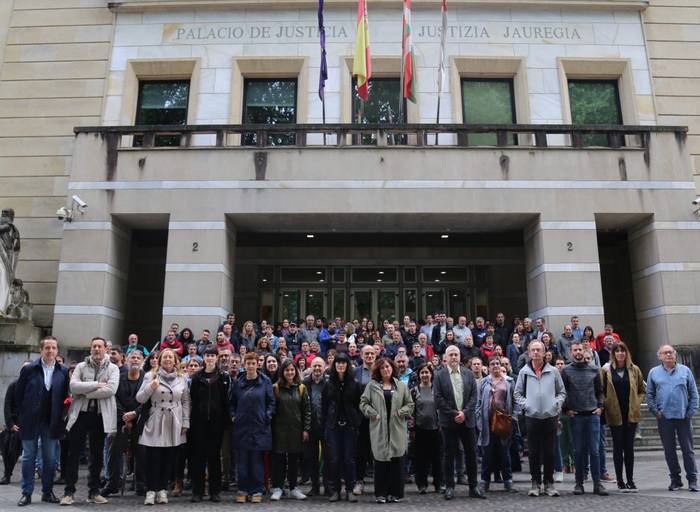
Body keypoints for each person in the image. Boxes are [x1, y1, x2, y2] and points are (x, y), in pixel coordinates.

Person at [62, 337, 120, 506]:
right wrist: (96, 384)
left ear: (105, 349)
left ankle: (94, 492)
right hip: (81, 414)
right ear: (90, 348)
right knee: (73, 453)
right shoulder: (80, 366)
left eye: (99, 346)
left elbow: (111, 390)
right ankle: (68, 492)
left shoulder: (113, 368)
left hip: (100, 416)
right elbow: (73, 387)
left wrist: (85, 391)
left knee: (96, 455)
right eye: (93, 346)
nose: (96, 349)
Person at [15, 337, 69, 506]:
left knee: (51, 459)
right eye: (47, 348)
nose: (50, 351)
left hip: (51, 421)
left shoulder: (63, 371)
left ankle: (47, 491)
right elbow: (18, 394)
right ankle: (27, 492)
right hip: (30, 420)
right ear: (41, 350)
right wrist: (22, 416)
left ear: (57, 351)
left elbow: (65, 396)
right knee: (28, 457)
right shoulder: (29, 369)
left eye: (53, 348)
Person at [136, 348, 191, 505]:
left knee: (169, 457)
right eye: (165, 357)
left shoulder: (182, 379)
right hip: (155, 418)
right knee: (153, 457)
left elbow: (186, 401)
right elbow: (139, 398)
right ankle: (150, 491)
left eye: (170, 357)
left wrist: (186, 421)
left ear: (175, 360)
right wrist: (150, 387)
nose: (168, 359)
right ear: (160, 360)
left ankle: (162, 490)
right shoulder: (150, 376)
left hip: (174, 420)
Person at [514, 340, 566, 498]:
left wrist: (556, 405)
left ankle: (549, 483)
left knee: (550, 452)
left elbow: (562, 392)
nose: (536, 353)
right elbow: (517, 393)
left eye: (539, 350)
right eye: (533, 350)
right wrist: (527, 405)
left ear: (544, 353)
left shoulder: (553, 371)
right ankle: (535, 483)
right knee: (534, 452)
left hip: (550, 417)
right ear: (529, 353)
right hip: (532, 417)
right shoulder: (524, 372)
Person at [433, 345, 484, 500]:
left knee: (471, 454)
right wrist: (455, 413)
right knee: (449, 454)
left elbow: (474, 396)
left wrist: (465, 413)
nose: (454, 357)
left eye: (456, 354)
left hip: (467, 420)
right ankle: (449, 487)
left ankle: (473, 487)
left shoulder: (468, 374)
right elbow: (438, 398)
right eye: (451, 355)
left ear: (460, 357)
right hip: (449, 421)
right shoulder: (439, 375)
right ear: (446, 358)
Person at [360, 357, 414, 504]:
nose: (386, 370)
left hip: (397, 428)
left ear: (393, 368)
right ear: (378, 370)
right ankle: (381, 494)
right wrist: (373, 414)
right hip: (379, 428)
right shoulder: (372, 386)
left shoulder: (401, 386)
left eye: (388, 367)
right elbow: (363, 403)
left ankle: (395, 493)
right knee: (381, 461)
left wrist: (400, 412)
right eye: (383, 367)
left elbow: (410, 404)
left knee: (397, 461)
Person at [646, 344, 698, 492]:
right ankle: (675, 480)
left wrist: (690, 412)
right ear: (660, 356)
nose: (668, 355)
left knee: (688, 450)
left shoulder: (685, 371)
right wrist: (655, 411)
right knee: (669, 450)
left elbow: (694, 393)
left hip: (683, 417)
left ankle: (692, 480)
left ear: (675, 354)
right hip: (665, 418)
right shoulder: (653, 372)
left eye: (671, 352)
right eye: (665, 353)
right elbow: (649, 394)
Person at [560, 342, 608, 496]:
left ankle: (597, 484)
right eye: (575, 350)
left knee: (594, 451)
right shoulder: (566, 371)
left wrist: (600, 407)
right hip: (576, 416)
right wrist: (566, 409)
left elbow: (600, 391)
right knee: (578, 451)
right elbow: (563, 391)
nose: (578, 352)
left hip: (592, 415)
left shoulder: (594, 369)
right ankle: (579, 483)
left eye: (580, 349)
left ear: (584, 351)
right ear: (571, 352)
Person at [230, 352, 275, 504]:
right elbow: (232, 402)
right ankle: (242, 490)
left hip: (259, 427)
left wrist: (267, 416)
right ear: (244, 364)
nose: (250, 366)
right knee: (242, 461)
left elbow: (271, 402)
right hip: (242, 427)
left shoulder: (266, 381)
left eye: (253, 363)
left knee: (256, 461)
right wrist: (233, 416)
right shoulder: (238, 382)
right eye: (247, 363)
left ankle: (256, 490)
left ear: (257, 364)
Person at [601, 342, 646, 492]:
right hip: (615, 415)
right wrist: (606, 403)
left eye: (622, 351)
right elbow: (601, 390)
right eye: (617, 351)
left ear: (626, 353)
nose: (620, 354)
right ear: (613, 354)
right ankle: (620, 480)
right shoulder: (606, 371)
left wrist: (636, 403)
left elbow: (642, 390)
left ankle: (631, 480)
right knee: (617, 448)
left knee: (629, 448)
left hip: (630, 414)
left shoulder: (634, 369)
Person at [101, 350, 146, 497]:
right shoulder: (118, 378)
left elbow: (148, 400)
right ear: (126, 360)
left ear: (143, 360)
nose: (135, 360)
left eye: (138, 358)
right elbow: (113, 398)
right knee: (114, 452)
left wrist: (135, 415)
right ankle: (113, 484)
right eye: (132, 357)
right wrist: (124, 417)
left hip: (140, 421)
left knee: (140, 453)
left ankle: (140, 484)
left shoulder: (147, 378)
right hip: (119, 420)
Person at [189, 346, 231, 502]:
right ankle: (197, 491)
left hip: (217, 423)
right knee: (198, 457)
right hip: (198, 423)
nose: (210, 358)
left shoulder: (223, 376)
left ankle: (215, 491)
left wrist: (226, 422)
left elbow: (226, 401)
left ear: (216, 357)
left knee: (214, 457)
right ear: (204, 357)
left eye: (213, 355)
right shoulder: (196, 377)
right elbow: (192, 399)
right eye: (207, 355)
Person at [322, 352, 362, 502]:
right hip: (333, 426)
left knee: (349, 459)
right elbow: (325, 405)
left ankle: (350, 490)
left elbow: (359, 405)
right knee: (334, 459)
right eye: (338, 362)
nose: (340, 365)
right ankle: (336, 490)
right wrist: (326, 423)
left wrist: (356, 422)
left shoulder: (355, 383)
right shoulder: (329, 383)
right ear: (334, 365)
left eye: (343, 362)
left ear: (347, 365)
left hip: (349, 426)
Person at [270, 359, 311, 501]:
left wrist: (306, 429)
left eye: (292, 370)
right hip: (279, 430)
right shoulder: (275, 388)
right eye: (287, 370)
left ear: (296, 371)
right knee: (279, 460)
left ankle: (293, 487)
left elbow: (306, 410)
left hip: (296, 429)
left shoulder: (301, 388)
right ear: (282, 372)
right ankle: (277, 487)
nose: (290, 372)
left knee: (294, 460)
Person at [476, 356, 517, 494]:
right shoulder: (483, 383)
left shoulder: (508, 382)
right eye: (492, 364)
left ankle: (508, 482)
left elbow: (514, 401)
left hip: (503, 422)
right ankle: (484, 482)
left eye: (497, 364)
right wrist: (479, 420)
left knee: (504, 453)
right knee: (487, 454)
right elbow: (478, 403)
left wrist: (513, 418)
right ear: (488, 367)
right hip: (487, 423)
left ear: (501, 365)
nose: (495, 366)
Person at [409, 363, 442, 494]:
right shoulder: (414, 391)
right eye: (422, 373)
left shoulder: (437, 390)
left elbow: (441, 407)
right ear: (418, 375)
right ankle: (422, 484)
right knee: (420, 458)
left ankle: (438, 483)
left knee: (437, 458)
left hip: (436, 429)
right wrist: (412, 429)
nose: (424, 375)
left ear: (431, 374)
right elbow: (410, 411)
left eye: (427, 372)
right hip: (419, 430)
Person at [302, 357, 328, 496]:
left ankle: (328, 486)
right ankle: (315, 486)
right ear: (310, 367)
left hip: (325, 426)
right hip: (310, 426)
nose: (317, 368)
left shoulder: (329, 383)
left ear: (324, 368)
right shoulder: (304, 383)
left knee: (328, 457)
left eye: (320, 366)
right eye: (315, 366)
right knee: (311, 458)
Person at [2, 361, 28, 486]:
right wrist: (10, 424)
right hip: (16, 423)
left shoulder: (36, 385)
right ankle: (7, 474)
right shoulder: (14, 385)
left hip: (31, 423)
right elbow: (7, 405)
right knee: (10, 449)